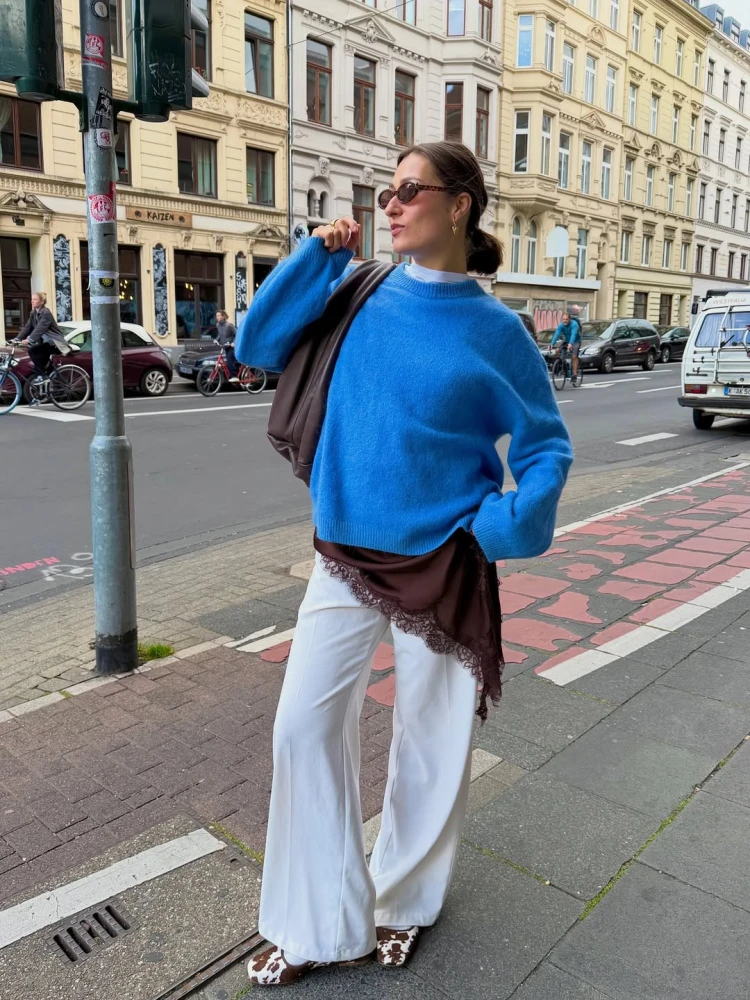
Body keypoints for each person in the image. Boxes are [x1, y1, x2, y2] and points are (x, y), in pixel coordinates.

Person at [235, 141, 573, 987]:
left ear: (459, 205)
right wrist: (316, 256)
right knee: (302, 727)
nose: (390, 204)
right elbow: (259, 344)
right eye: (386, 191)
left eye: (409, 190)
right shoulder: (357, 288)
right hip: (344, 552)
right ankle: (316, 921)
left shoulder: (498, 332)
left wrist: (504, 526)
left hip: (443, 559)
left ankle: (403, 902)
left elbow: (546, 445)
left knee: (429, 741)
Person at [17, 292, 70, 380]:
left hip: (55, 342)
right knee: (41, 361)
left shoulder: (46, 313)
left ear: (42, 302)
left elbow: (40, 328)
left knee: (32, 351)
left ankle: (43, 376)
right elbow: (27, 327)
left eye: (35, 299)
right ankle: (51, 377)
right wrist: (17, 338)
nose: (32, 301)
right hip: (46, 342)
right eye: (32, 299)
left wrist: (29, 339)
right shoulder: (33, 313)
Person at [550, 310, 582, 383]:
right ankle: (563, 364)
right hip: (566, 340)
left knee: (574, 356)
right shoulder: (561, 325)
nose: (565, 321)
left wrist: (570, 343)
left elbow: (573, 334)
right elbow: (557, 334)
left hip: (576, 341)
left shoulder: (574, 324)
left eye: (566, 319)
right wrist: (552, 344)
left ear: (569, 319)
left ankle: (574, 375)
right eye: (563, 319)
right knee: (558, 350)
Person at [213, 309, 240, 381]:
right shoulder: (218, 325)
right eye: (216, 316)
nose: (217, 317)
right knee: (227, 361)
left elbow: (237, 334)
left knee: (230, 360)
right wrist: (216, 340)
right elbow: (220, 335)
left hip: (231, 346)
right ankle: (231, 375)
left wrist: (234, 342)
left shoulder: (229, 325)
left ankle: (234, 376)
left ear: (223, 316)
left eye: (219, 315)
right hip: (225, 346)